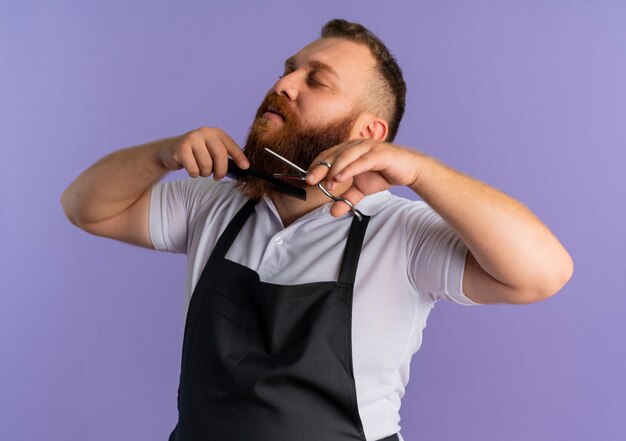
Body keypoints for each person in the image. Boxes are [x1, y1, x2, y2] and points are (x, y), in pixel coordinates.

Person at [61, 18, 573, 441]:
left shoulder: (403, 234)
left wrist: (423, 172)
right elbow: (85, 207)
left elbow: (543, 274)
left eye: (316, 81)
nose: (283, 85)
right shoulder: (214, 202)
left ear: (368, 134)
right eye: (289, 70)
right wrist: (161, 153)